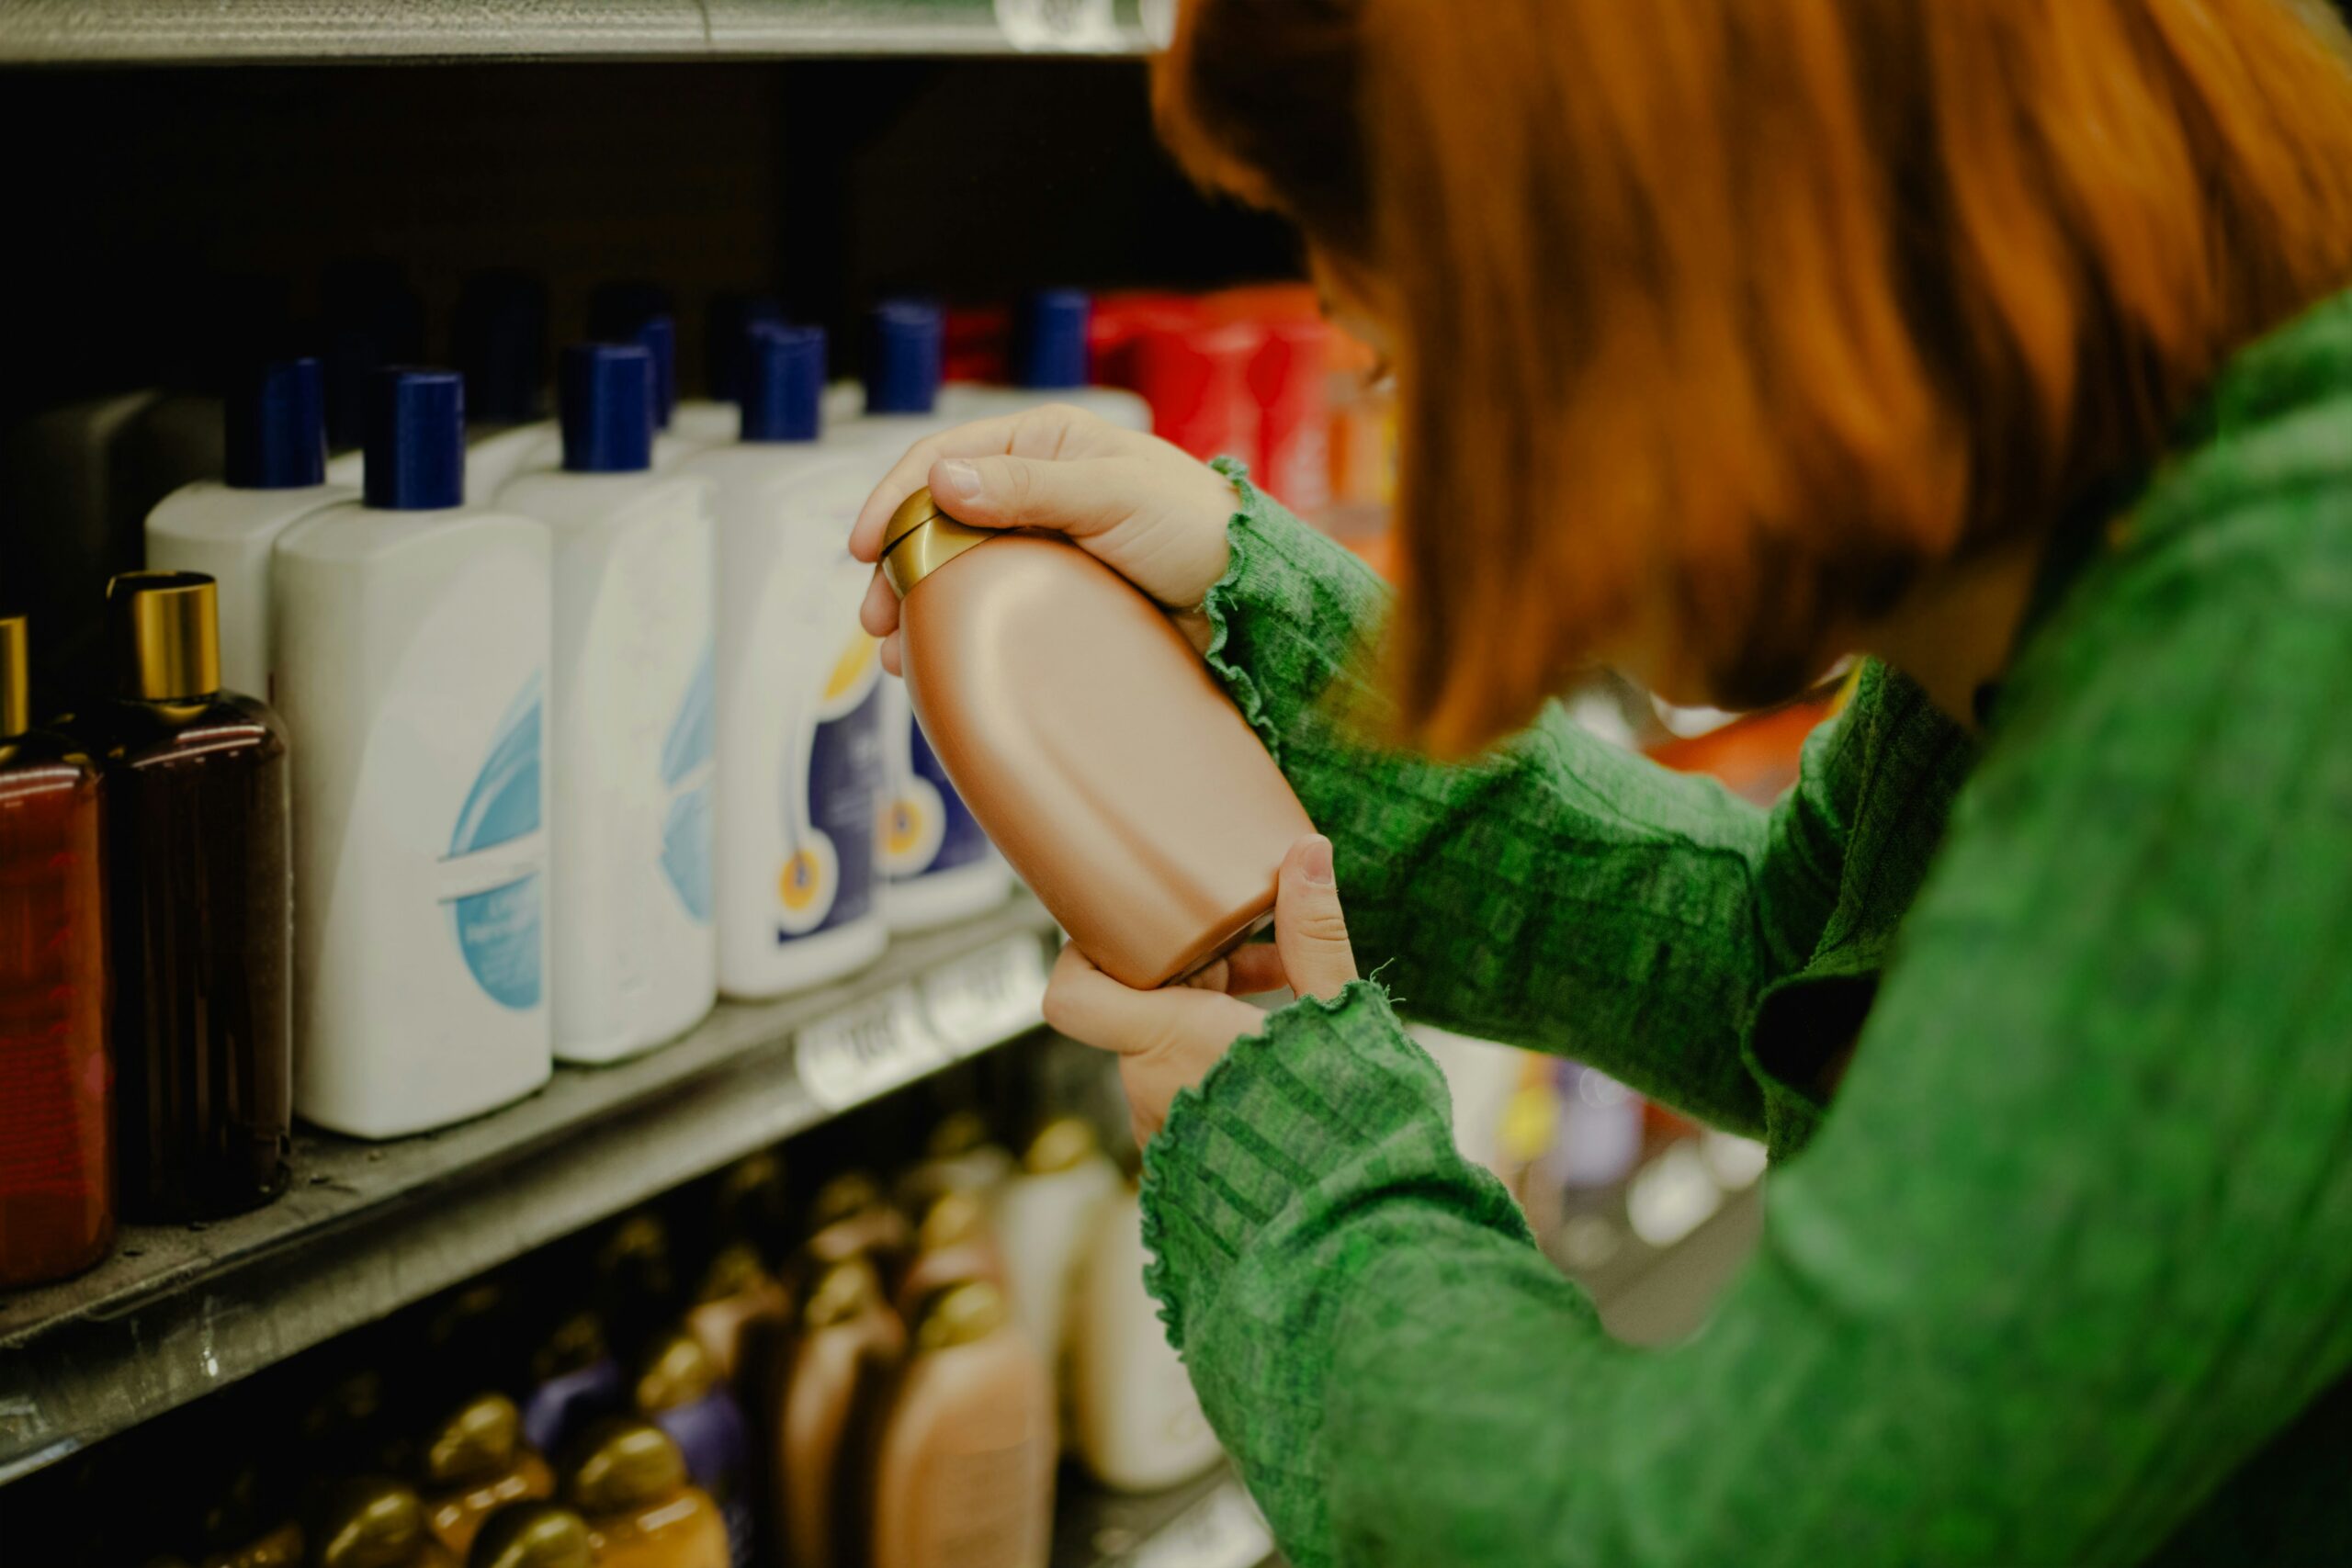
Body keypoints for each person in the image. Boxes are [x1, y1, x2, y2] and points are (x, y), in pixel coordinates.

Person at [853, 2, 2352, 1562]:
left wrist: (1303, 1174)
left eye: (1416, 316)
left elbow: (1705, 1542)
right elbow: (1790, 973)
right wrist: (1264, 620)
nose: (1361, 369)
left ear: (1690, 246)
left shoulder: (2287, 664)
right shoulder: (2077, 520)